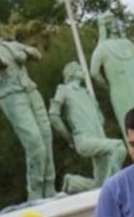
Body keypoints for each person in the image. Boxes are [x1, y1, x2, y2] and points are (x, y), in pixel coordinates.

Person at [0, 14, 57, 201]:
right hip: (10, 97)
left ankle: (50, 188)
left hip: (30, 90)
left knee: (46, 137)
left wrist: (25, 54)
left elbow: (36, 54)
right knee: (34, 142)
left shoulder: (8, 44)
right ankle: (36, 192)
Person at [48, 61, 126, 194]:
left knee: (100, 185)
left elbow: (100, 119)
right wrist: (69, 138)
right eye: (79, 69)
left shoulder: (86, 93)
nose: (83, 71)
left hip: (98, 136)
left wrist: (96, 108)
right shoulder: (64, 90)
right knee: (119, 147)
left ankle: (73, 182)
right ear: (71, 73)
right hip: (83, 139)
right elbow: (53, 115)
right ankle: (111, 191)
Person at [90, 12, 134, 141]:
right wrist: (108, 86)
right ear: (104, 27)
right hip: (119, 91)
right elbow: (94, 72)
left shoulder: (128, 43)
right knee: (130, 124)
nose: (114, 25)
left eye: (115, 22)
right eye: (110, 23)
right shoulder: (102, 48)